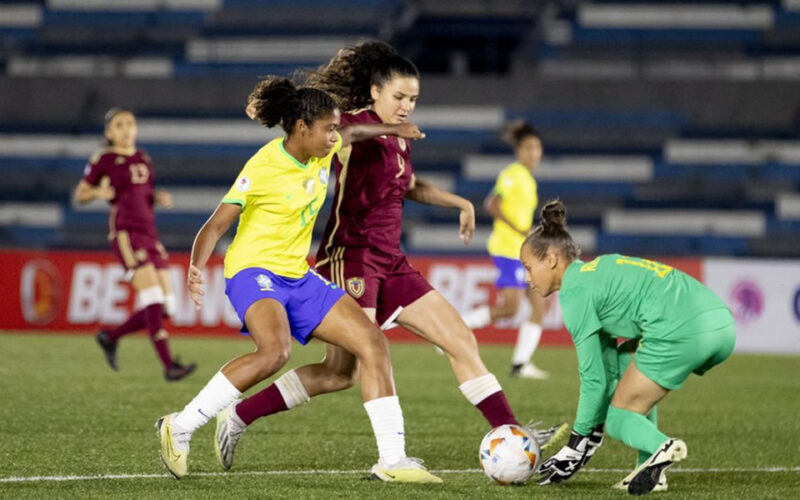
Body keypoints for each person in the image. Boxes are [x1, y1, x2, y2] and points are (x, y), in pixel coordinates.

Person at [213, 41, 566, 473]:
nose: (406, 106)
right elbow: (346, 136)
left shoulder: (400, 139)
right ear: (375, 92)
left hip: (392, 261)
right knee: (341, 373)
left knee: (459, 340)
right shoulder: (348, 127)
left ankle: (513, 432)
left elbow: (409, 184)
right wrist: (390, 130)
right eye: (399, 97)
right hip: (351, 259)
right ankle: (240, 416)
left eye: (413, 99)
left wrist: (461, 203)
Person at [155, 76, 442, 483]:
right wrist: (196, 268)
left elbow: (354, 129)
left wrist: (392, 129)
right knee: (275, 352)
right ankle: (179, 426)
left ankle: (393, 461)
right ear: (302, 129)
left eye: (335, 128)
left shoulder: (323, 149)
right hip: (254, 272)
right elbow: (215, 225)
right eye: (328, 129)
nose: (334, 136)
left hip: (298, 275)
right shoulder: (264, 166)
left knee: (373, 342)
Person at [523, 200, 736, 495]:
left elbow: (594, 381)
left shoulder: (575, 293)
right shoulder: (600, 270)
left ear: (551, 259)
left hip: (681, 328)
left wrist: (576, 445)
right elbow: (610, 372)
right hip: (722, 324)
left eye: (528, 267)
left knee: (619, 418)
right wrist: (589, 435)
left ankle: (661, 446)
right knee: (626, 359)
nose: (527, 278)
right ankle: (647, 467)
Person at [75, 107, 196, 381]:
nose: (126, 129)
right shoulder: (104, 159)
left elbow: (143, 193)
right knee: (152, 299)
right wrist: (96, 191)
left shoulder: (143, 158)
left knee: (169, 306)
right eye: (119, 125)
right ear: (109, 132)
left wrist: (157, 197)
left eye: (130, 124)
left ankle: (111, 336)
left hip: (150, 235)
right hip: (127, 234)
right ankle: (169, 366)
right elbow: (81, 193)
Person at [461, 120, 550, 379]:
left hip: (522, 251)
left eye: (537, 148)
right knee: (511, 308)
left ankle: (520, 364)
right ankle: (456, 328)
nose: (534, 153)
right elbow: (493, 204)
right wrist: (522, 231)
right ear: (519, 151)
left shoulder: (528, 180)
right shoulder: (513, 174)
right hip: (509, 249)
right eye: (529, 148)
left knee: (539, 305)